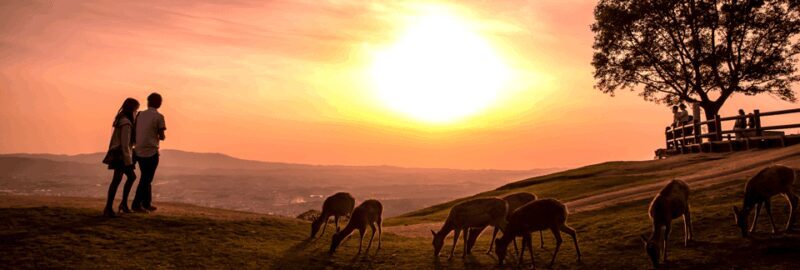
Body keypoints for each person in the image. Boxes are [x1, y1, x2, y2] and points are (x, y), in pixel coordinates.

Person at [103, 98, 139, 217]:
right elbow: (125, 144)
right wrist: (128, 161)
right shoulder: (127, 123)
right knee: (123, 179)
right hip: (121, 155)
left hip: (118, 154)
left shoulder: (120, 120)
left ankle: (113, 206)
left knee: (119, 179)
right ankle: (114, 206)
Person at [132, 93, 166, 213]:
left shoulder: (140, 115)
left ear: (148, 102)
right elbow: (162, 137)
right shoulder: (159, 117)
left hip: (138, 150)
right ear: (159, 103)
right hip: (151, 151)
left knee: (145, 177)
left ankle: (146, 203)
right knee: (146, 179)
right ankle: (136, 204)